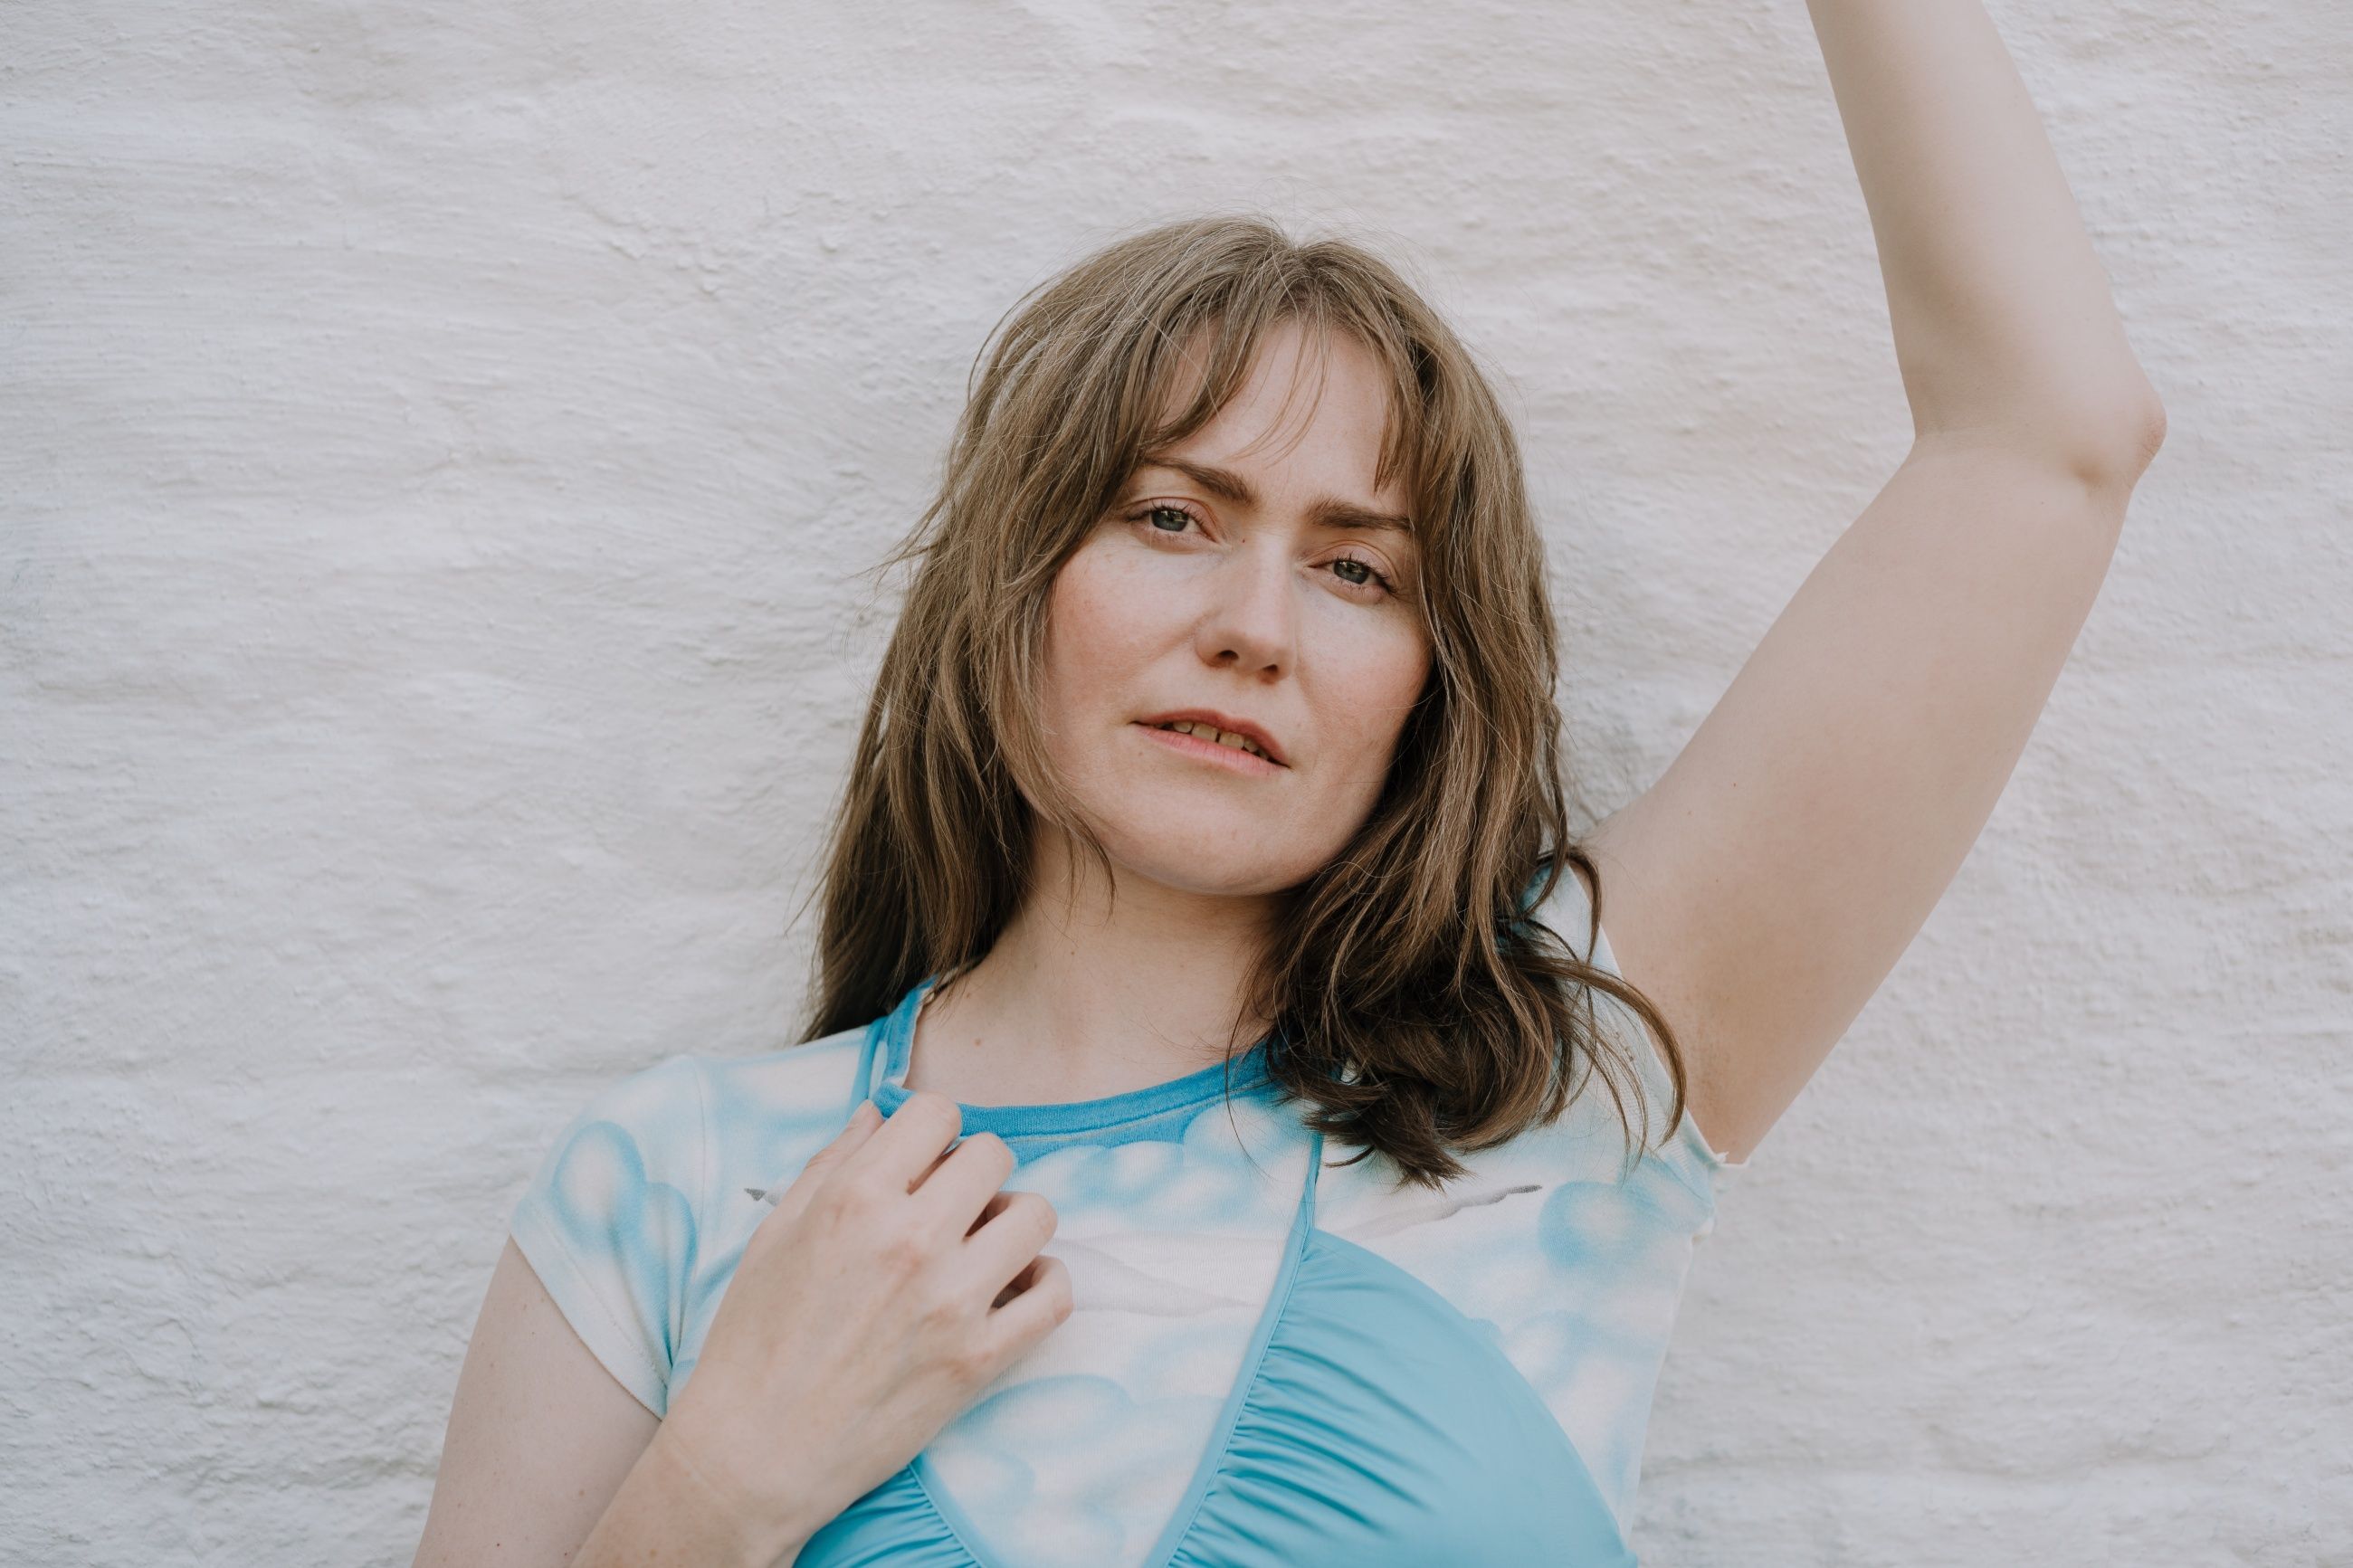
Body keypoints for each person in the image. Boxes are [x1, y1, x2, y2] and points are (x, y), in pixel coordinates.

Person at [413, 5, 2165, 1563]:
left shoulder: (1575, 1069)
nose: (1253, 627)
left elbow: (2048, 435)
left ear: (1426, 686)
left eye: (1356, 569)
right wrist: (722, 1484)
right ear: (1012, 589)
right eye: (1172, 517)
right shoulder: (680, 1180)